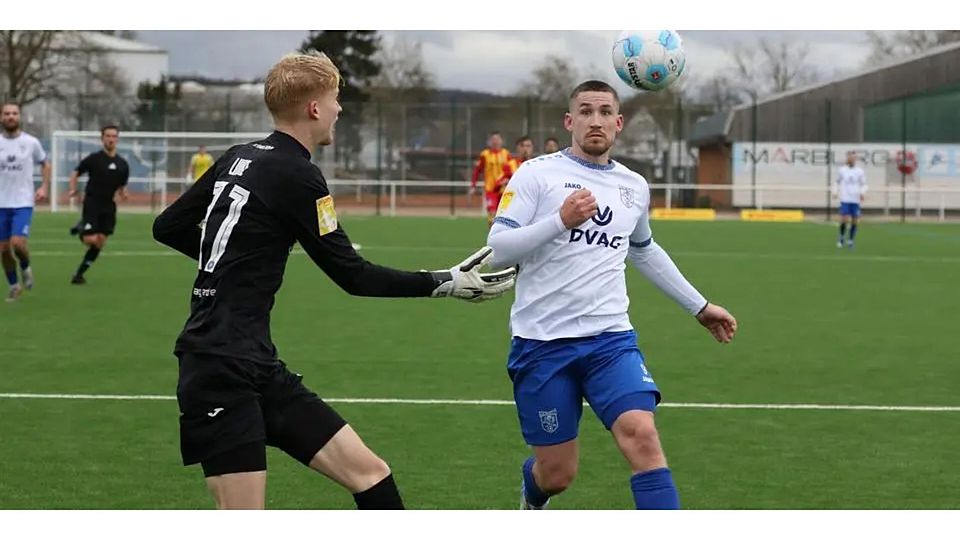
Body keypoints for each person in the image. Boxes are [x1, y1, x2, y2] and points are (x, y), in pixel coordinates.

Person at [152, 51, 516, 510]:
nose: (339, 109)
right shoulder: (301, 176)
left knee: (371, 474)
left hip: (253, 362)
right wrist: (444, 282)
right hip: (218, 369)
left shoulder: (237, 157)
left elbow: (168, 226)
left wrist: (234, 264)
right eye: (335, 99)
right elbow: (353, 275)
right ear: (314, 108)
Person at [486, 80, 737, 510]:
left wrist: (699, 305)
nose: (595, 120)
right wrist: (560, 221)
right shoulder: (536, 173)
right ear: (570, 121)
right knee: (558, 475)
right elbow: (497, 250)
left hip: (610, 340)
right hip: (542, 343)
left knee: (642, 436)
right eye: (585, 111)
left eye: (605, 112)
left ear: (619, 124)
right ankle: (533, 488)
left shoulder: (633, 186)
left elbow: (644, 250)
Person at [66, 125, 130, 284]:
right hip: (92, 202)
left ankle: (79, 274)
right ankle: (82, 227)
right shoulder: (94, 159)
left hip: (109, 206)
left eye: (114, 136)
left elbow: (122, 185)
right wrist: (73, 189)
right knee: (90, 240)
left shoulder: (123, 164)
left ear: (117, 139)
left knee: (100, 242)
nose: (111, 139)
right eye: (107, 136)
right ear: (102, 139)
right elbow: (75, 172)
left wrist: (124, 193)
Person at [0, 102, 51, 301]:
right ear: (2, 117)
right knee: (3, 250)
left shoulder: (31, 142)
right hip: (1, 204)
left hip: (22, 202)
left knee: (18, 243)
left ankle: (25, 267)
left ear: (19, 116)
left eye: (14, 113)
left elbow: (45, 163)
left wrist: (44, 186)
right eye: (7, 114)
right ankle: (14, 286)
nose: (11, 116)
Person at [470, 131, 512, 226]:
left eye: (497, 139)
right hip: (490, 190)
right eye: (493, 139)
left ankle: (502, 238)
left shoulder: (506, 154)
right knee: (491, 216)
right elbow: (477, 170)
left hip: (504, 191)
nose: (495, 141)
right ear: (489, 142)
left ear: (501, 141)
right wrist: (473, 185)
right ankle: (491, 238)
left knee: (503, 216)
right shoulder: (484, 155)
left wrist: (508, 180)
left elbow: (511, 171)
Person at [834, 151, 867, 248]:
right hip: (845, 199)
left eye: (853, 158)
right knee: (844, 219)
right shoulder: (842, 170)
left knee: (855, 220)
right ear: (847, 158)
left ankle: (851, 240)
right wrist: (835, 191)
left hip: (855, 200)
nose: (851, 159)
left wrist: (862, 193)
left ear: (855, 159)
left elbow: (864, 184)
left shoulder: (860, 171)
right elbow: (837, 182)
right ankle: (841, 238)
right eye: (850, 158)